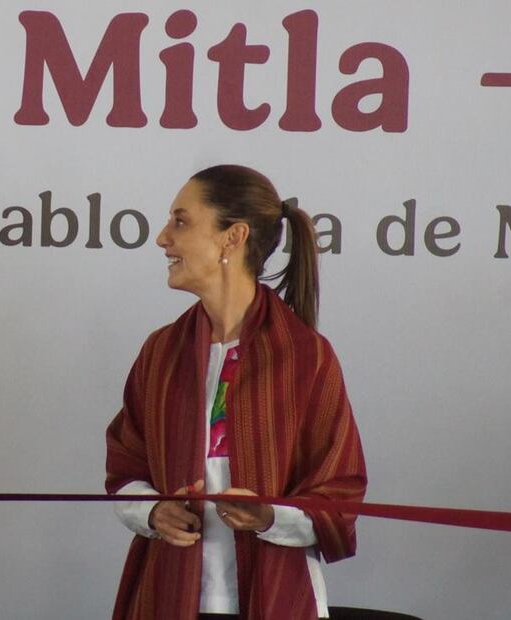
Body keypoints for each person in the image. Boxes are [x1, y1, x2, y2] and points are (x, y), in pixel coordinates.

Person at [105, 165, 366, 620]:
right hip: (167, 592)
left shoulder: (307, 356)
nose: (163, 238)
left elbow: (339, 495)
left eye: (181, 221)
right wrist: (152, 512)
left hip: (274, 596)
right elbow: (126, 463)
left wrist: (269, 516)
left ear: (233, 237)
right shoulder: (161, 351)